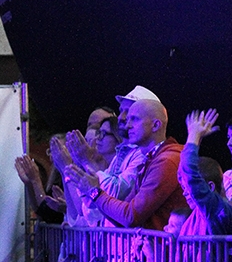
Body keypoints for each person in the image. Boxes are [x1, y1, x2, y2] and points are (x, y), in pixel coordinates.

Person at [65, 99, 188, 231]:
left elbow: (131, 216)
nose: (127, 125)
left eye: (134, 119)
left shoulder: (167, 161)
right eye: (127, 119)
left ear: (156, 125)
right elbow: (122, 215)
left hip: (163, 249)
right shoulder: (150, 159)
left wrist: (95, 192)